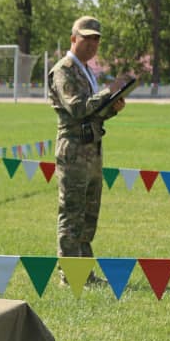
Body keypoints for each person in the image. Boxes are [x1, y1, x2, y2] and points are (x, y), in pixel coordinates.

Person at [48, 16, 126, 270]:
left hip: (92, 148)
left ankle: (84, 272)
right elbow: (77, 108)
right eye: (87, 38)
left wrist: (112, 106)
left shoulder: (86, 70)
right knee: (72, 213)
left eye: (96, 40)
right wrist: (108, 92)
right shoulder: (64, 69)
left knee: (89, 215)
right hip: (73, 150)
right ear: (73, 39)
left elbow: (92, 112)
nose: (92, 44)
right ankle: (70, 274)